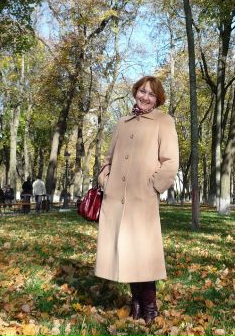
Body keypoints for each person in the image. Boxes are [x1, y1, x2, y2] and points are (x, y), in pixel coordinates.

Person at [95, 76, 179, 324]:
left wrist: (153, 186)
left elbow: (170, 161)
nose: (145, 97)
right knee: (127, 250)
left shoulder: (164, 121)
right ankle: (136, 304)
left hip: (142, 198)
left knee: (144, 251)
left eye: (151, 94)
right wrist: (105, 179)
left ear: (158, 99)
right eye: (142, 91)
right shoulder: (123, 122)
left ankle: (150, 306)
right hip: (116, 198)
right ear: (135, 92)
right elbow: (109, 158)